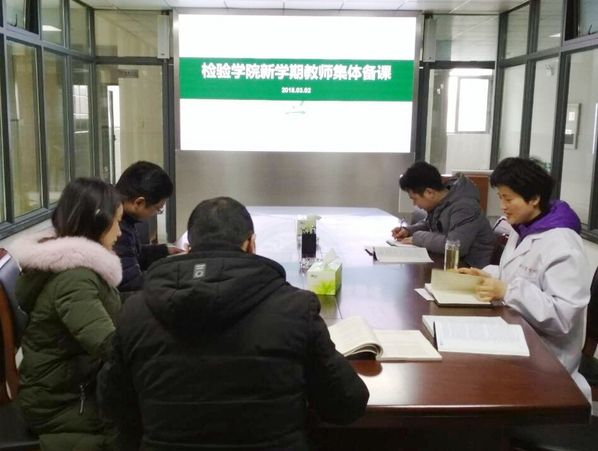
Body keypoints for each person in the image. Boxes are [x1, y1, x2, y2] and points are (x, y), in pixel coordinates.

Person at [98, 197, 369, 450]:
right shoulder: (295, 309)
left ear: (189, 250)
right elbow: (346, 404)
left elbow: (113, 406)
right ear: (251, 244)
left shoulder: (134, 312)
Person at [458, 157, 592, 402]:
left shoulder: (562, 243)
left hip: (546, 362)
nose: (503, 206)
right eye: (500, 198)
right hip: (514, 338)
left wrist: (507, 291)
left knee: (468, 380)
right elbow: (518, 273)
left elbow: (563, 317)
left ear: (534, 198)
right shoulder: (524, 228)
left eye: (508, 199)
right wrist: (488, 274)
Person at [9, 178, 123, 450]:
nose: (120, 232)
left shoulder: (75, 269)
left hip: (70, 388)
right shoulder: (75, 278)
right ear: (97, 222)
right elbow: (107, 344)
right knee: (139, 423)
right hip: (61, 403)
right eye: (117, 222)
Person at [391, 161, 494, 267]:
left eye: (415, 199)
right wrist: (409, 230)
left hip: (471, 268)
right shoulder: (443, 201)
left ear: (429, 192)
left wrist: (418, 238)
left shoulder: (465, 207)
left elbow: (455, 245)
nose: (415, 204)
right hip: (451, 263)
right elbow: (431, 224)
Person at [114, 161, 183, 293]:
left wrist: (164, 251)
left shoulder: (125, 217)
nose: (156, 213)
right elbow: (131, 282)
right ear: (139, 203)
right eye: (158, 208)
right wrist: (174, 275)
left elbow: (131, 255)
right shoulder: (116, 227)